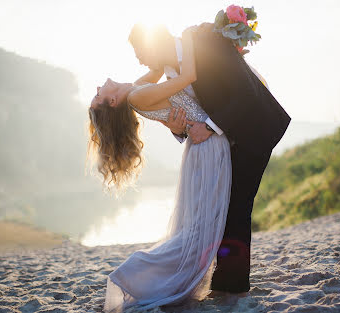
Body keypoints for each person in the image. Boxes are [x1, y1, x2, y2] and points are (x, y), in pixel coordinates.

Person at [128, 23, 291, 295]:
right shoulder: (171, 73)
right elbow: (190, 113)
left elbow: (245, 93)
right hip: (225, 138)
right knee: (223, 208)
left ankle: (233, 287)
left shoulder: (207, 43)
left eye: (139, 50)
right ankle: (224, 282)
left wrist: (211, 126)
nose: (139, 59)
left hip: (256, 128)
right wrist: (178, 129)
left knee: (237, 207)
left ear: (154, 44)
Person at [87, 28, 233, 312]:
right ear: (113, 102)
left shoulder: (136, 90)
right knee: (196, 229)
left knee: (197, 226)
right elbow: (187, 77)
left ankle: (166, 279)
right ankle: (133, 274)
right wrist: (189, 36)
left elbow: (157, 67)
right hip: (207, 146)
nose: (97, 88)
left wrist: (152, 43)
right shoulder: (136, 98)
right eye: (98, 96)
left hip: (201, 145)